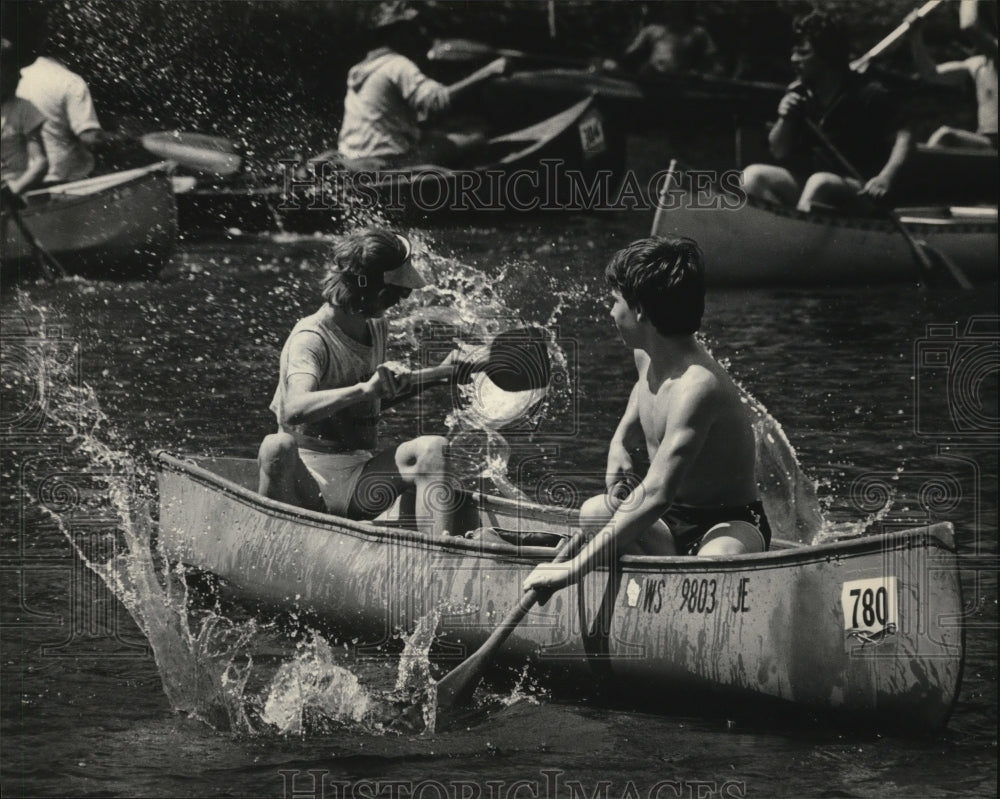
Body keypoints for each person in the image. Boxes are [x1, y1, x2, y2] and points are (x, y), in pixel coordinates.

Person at [524, 237, 771, 595]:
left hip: (728, 522)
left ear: (640, 310)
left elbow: (656, 493)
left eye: (615, 302)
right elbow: (643, 390)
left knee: (715, 562)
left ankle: (682, 588)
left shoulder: (697, 387)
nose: (610, 313)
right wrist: (621, 439)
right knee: (595, 512)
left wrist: (571, 570)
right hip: (669, 523)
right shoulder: (648, 353)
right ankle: (661, 581)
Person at [257, 226, 465, 537]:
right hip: (302, 484)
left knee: (434, 448)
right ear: (371, 290)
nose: (399, 300)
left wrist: (440, 376)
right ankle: (270, 538)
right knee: (276, 446)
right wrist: (363, 389)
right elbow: (293, 409)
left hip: (359, 479)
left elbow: (369, 400)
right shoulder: (310, 338)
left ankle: (442, 557)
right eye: (394, 293)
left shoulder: (376, 326)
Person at [741, 10, 914, 213]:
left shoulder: (868, 93)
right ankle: (781, 235)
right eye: (794, 52)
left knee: (820, 182)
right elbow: (779, 151)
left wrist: (885, 178)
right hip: (816, 190)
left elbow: (905, 137)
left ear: (827, 56)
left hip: (864, 191)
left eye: (803, 53)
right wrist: (785, 118)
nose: (794, 59)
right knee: (752, 176)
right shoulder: (802, 95)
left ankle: (797, 238)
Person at [336, 3, 506, 169]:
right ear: (398, 32)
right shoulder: (398, 65)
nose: (418, 35)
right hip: (387, 163)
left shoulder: (359, 70)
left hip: (353, 160)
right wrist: (489, 72)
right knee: (476, 137)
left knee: (436, 136)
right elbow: (438, 101)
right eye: (413, 29)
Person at [15, 41, 110, 184]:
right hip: (67, 178)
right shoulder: (70, 81)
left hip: (21, 182)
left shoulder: (14, 76)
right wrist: (128, 139)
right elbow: (90, 138)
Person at [908, 0, 997, 150]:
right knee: (944, 137)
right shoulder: (977, 65)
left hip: (994, 144)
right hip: (988, 143)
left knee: (946, 136)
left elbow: (970, 26)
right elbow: (931, 74)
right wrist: (915, 37)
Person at [1, 38, 47, 202]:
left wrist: (15, 188)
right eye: (11, 71)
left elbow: (40, 162)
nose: (20, 76)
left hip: (17, 195)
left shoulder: (24, 109)